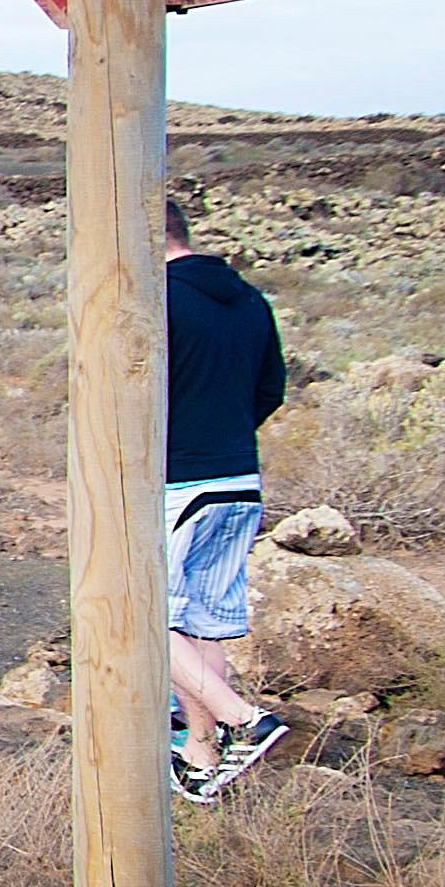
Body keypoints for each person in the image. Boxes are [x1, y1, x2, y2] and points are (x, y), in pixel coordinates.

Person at [164, 198, 293, 801]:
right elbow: (271, 389)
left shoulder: (154, 298)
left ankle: (245, 721)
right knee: (201, 623)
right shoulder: (250, 300)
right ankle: (201, 751)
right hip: (240, 478)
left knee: (134, 620)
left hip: (175, 481)